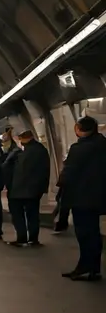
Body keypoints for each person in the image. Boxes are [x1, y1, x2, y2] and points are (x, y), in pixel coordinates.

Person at [58, 115, 106, 280]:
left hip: (81, 197)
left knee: (84, 234)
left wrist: (61, 183)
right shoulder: (102, 145)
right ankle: (94, 268)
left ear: (79, 129)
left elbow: (70, 172)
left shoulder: (79, 149)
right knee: (93, 232)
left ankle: (85, 267)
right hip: (97, 197)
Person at [5, 129, 50, 247]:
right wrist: (42, 188)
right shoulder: (41, 150)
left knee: (17, 215)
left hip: (17, 189)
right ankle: (33, 239)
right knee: (33, 215)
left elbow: (6, 167)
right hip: (34, 190)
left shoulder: (19, 152)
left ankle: (22, 238)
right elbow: (45, 171)